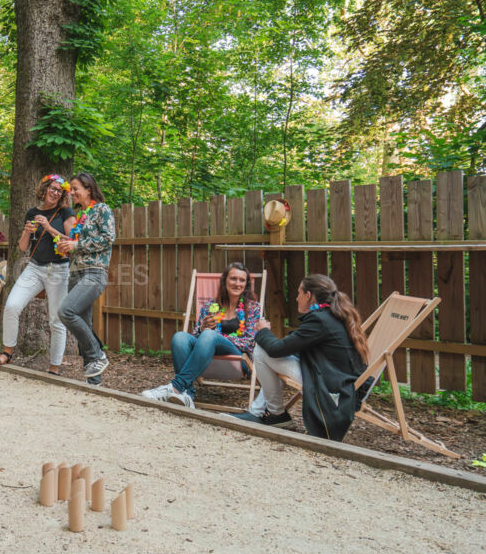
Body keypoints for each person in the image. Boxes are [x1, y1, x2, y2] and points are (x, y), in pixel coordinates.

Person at [232, 274, 369, 441]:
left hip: (329, 386)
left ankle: (275, 413)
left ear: (308, 295)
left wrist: (263, 330)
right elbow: (291, 347)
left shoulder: (320, 320)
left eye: (299, 293)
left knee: (262, 350)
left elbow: (276, 349)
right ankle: (261, 411)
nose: (296, 298)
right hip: (336, 378)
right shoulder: (333, 315)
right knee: (275, 354)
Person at [141, 262, 261, 409]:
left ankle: (176, 387)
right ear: (225, 281)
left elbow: (249, 342)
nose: (237, 283)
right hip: (206, 355)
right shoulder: (210, 306)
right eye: (233, 279)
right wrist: (203, 329)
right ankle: (187, 395)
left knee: (210, 335)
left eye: (242, 280)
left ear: (246, 284)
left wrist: (216, 337)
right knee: (180, 337)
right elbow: (195, 337)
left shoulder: (253, 307)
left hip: (237, 358)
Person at [0, 175, 76, 373]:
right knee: (11, 306)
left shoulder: (65, 212)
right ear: (45, 189)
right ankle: (7, 353)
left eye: (59, 190)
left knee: (56, 320)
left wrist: (47, 227)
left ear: (62, 194)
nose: (55, 193)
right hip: (35, 267)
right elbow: (22, 247)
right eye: (52, 188)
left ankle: (54, 367)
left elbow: (70, 241)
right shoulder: (32, 212)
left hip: (58, 269)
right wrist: (27, 231)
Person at [56, 173, 116, 384]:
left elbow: (108, 239)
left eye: (75, 188)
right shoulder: (82, 215)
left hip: (94, 272)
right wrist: (66, 247)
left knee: (66, 311)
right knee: (85, 325)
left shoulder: (102, 209)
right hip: (76, 272)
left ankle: (98, 354)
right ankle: (94, 382)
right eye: (70, 189)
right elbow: (79, 244)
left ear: (88, 189)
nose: (71, 193)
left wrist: (76, 245)